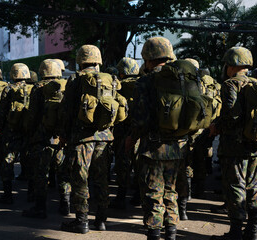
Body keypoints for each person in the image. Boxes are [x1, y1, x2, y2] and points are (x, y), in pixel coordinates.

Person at [127, 37, 190, 240]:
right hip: (178, 147)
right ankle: (171, 233)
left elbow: (140, 118)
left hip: (152, 148)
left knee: (153, 193)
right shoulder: (181, 79)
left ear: (148, 58)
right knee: (171, 191)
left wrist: (131, 138)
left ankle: (154, 235)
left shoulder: (145, 81)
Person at [60, 45, 123, 234]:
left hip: (81, 138)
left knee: (80, 179)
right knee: (102, 179)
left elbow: (67, 110)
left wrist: (64, 134)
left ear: (80, 60)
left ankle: (82, 221)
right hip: (104, 138)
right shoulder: (110, 79)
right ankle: (101, 220)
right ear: (98, 60)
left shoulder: (75, 79)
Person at [210, 47, 257, 240]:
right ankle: (253, 231)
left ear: (231, 65)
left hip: (235, 147)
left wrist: (217, 126)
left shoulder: (231, 84)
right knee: (253, 186)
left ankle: (235, 233)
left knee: (236, 187)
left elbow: (231, 115)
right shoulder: (256, 84)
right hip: (255, 146)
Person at [22, 59, 71, 218]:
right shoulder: (65, 85)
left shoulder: (38, 88)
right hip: (62, 139)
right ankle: (65, 205)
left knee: (41, 174)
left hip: (42, 138)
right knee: (63, 172)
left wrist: (30, 133)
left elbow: (33, 115)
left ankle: (40, 207)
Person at [0, 63, 32, 203]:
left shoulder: (8, 89)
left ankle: (7, 194)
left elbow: (2, 111)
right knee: (30, 161)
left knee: (7, 161)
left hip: (11, 133)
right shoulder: (32, 88)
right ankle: (32, 193)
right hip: (28, 132)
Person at [110, 57, 140, 209]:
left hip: (123, 130)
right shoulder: (142, 83)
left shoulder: (119, 86)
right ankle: (138, 196)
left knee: (123, 164)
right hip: (140, 130)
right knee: (139, 164)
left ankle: (121, 197)